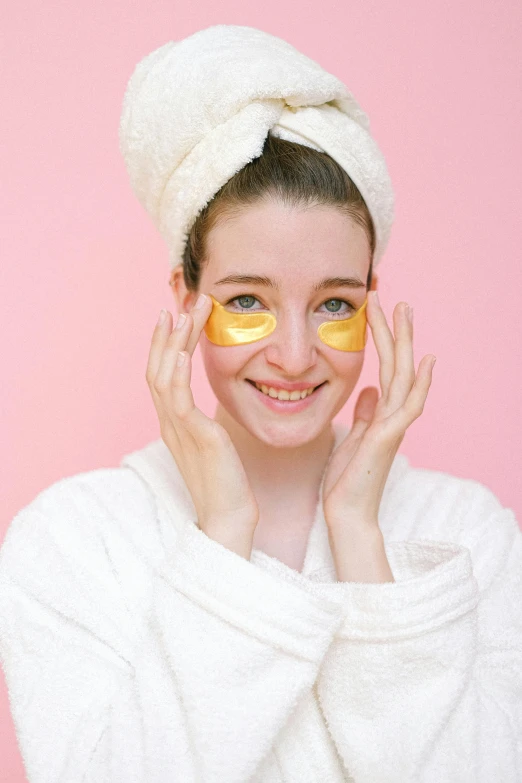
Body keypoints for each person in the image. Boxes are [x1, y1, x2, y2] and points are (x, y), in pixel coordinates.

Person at [1, 24, 521, 783]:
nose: (295, 354)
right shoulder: (75, 540)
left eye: (334, 304)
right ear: (185, 297)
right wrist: (221, 534)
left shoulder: (471, 535)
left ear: (372, 303)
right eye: (247, 299)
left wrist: (358, 537)